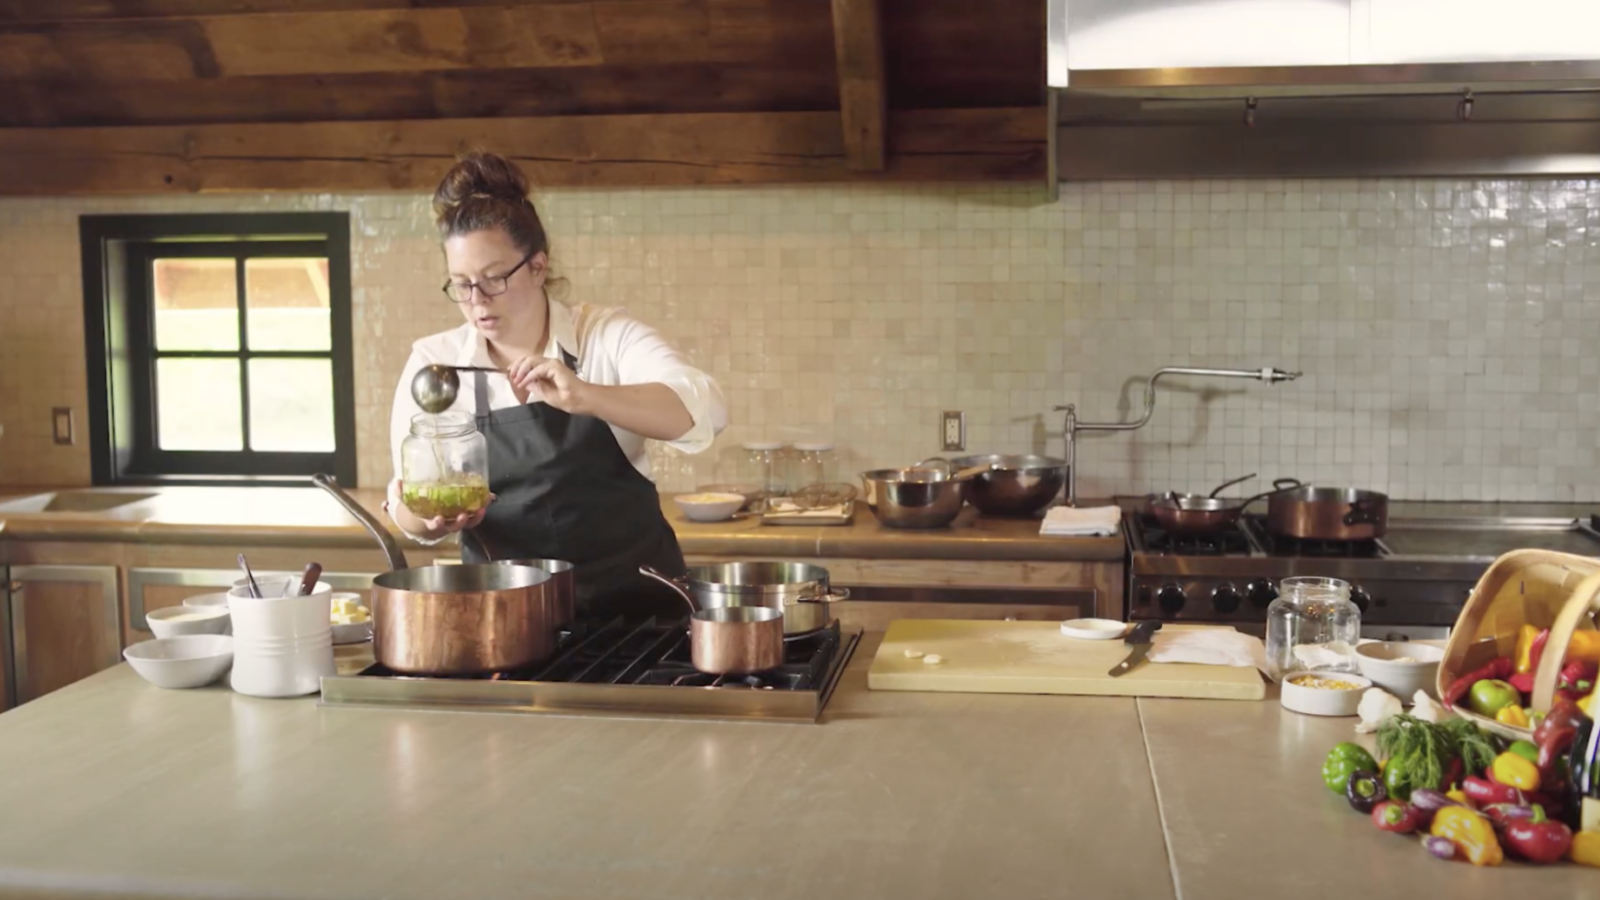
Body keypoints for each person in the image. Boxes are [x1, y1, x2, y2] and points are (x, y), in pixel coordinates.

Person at [384, 150, 726, 620]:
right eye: (460, 285)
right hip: (504, 625)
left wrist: (586, 396)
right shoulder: (435, 362)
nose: (477, 301)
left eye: (493, 279)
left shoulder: (604, 335)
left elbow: (703, 408)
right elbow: (406, 509)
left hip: (640, 621)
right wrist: (431, 518)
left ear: (538, 266)